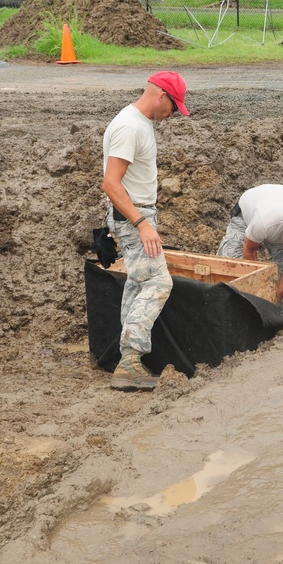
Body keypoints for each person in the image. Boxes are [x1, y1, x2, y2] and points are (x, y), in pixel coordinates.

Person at [101, 71, 188, 392]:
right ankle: (129, 363)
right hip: (133, 218)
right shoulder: (129, 127)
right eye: (174, 106)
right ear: (161, 95)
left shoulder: (138, 123)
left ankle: (124, 356)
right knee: (157, 281)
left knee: (138, 283)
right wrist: (142, 224)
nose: (174, 114)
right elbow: (110, 183)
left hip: (136, 214)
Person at [216, 184, 283, 318]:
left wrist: (275, 299)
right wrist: (254, 294)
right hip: (247, 217)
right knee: (229, 266)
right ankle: (224, 312)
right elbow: (249, 250)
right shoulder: (264, 221)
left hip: (279, 224)